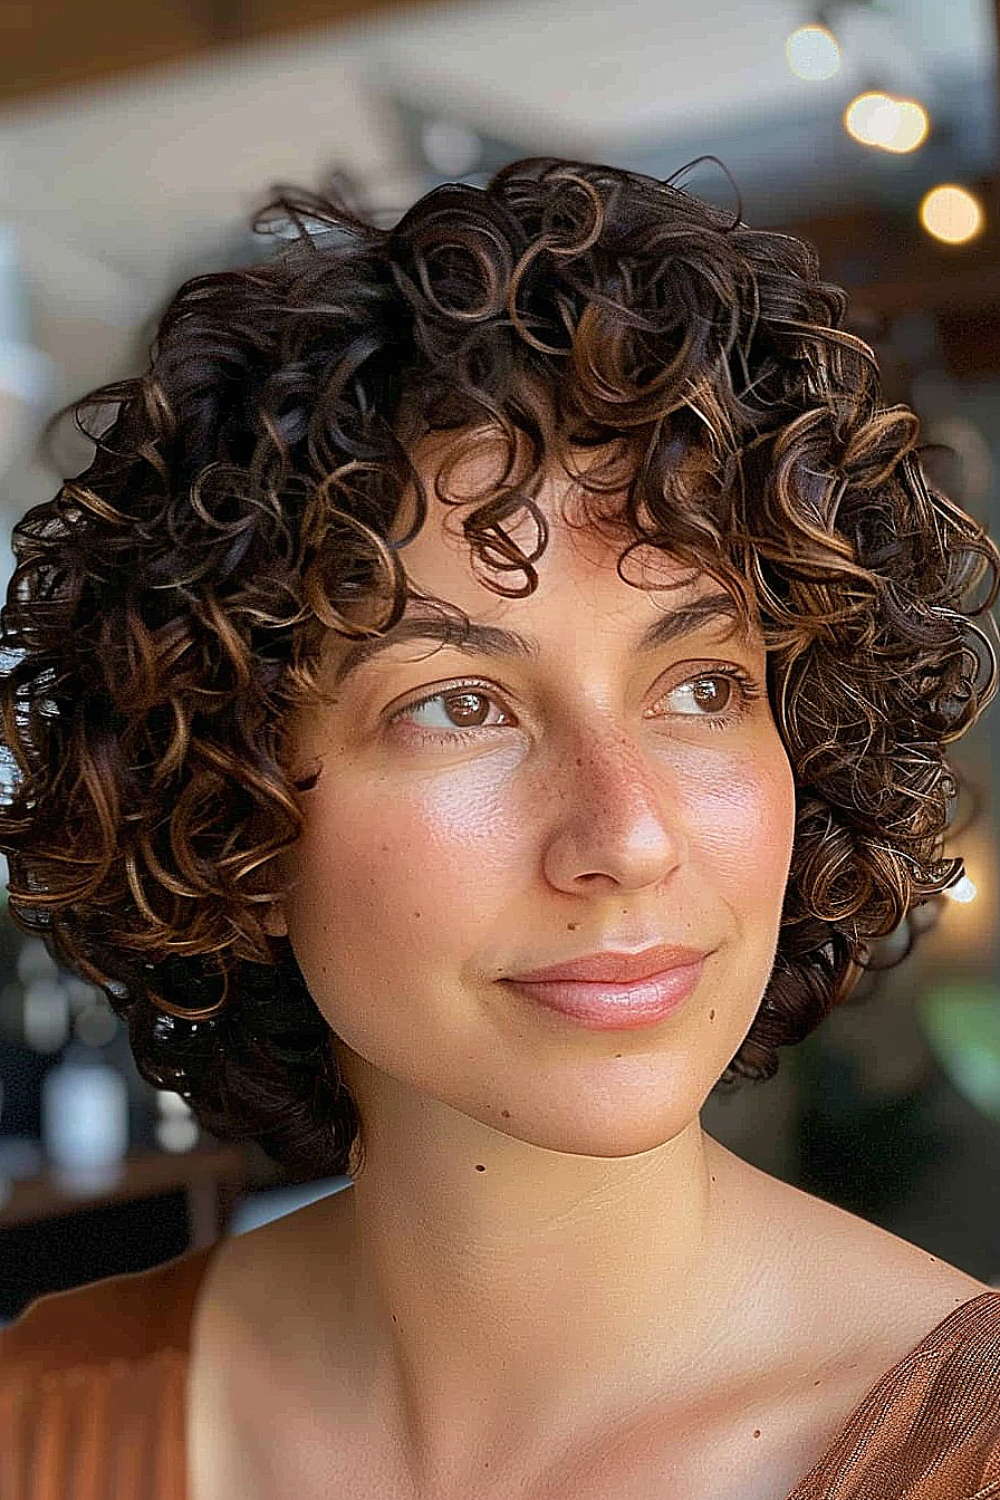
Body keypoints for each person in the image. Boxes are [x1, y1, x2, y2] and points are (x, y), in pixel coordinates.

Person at [1, 156, 999, 1500]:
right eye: (458, 704)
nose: (626, 834)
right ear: (222, 789)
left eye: (703, 687)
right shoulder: (41, 1426)